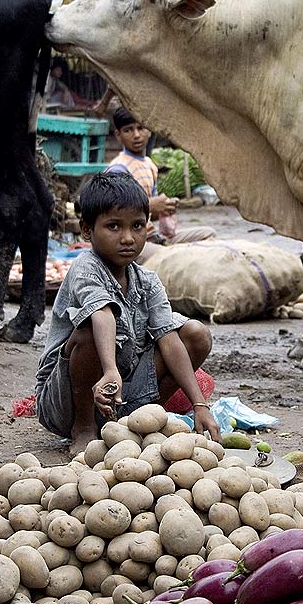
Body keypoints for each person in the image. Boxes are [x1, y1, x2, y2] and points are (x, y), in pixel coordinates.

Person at [35, 170, 221, 455]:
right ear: (87, 230)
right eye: (113, 227)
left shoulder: (147, 281)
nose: (128, 238)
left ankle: (140, 420)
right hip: (65, 401)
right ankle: (84, 427)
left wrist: (199, 404)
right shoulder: (86, 268)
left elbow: (169, 340)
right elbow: (103, 315)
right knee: (87, 332)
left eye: (137, 226)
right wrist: (109, 370)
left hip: (121, 391)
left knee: (195, 334)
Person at [106, 106, 216, 263]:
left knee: (208, 234)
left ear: (150, 130)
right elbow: (113, 214)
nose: (136, 135)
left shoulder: (149, 165)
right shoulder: (119, 168)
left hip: (153, 235)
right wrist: (150, 205)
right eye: (128, 130)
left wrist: (165, 207)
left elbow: (151, 214)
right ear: (118, 135)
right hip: (131, 242)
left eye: (141, 128)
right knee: (170, 256)